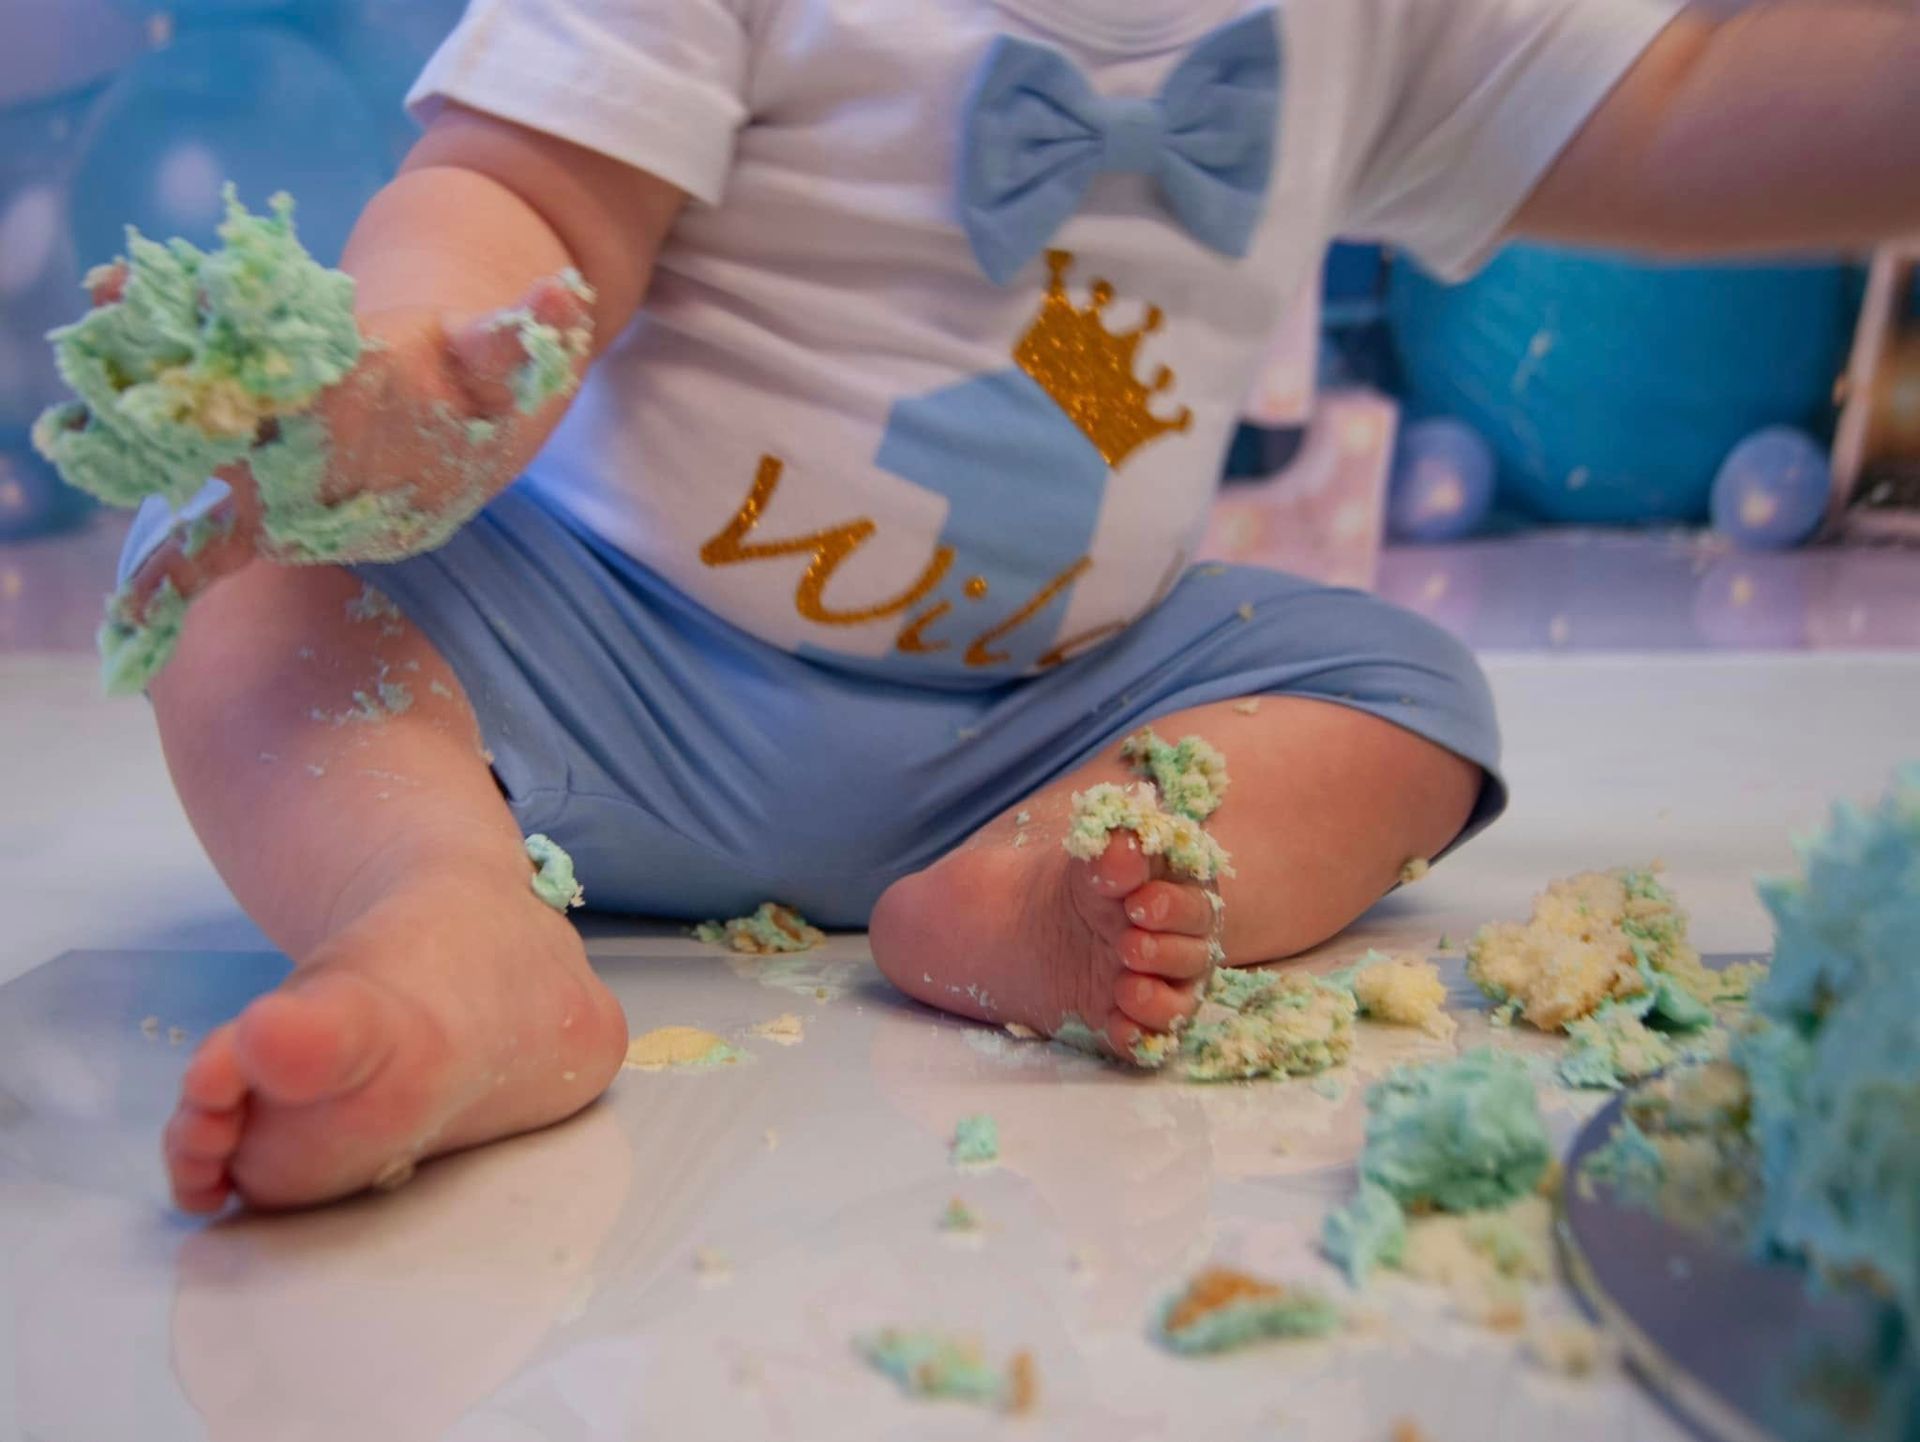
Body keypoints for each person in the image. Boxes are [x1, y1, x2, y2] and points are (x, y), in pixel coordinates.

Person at [116, 0, 1920, 1211]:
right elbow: (513, 192)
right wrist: (412, 376)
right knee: (259, 607)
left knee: (1404, 687)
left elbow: (1685, 99)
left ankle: (1056, 884)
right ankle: (450, 912)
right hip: (591, 669)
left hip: (1040, 716)